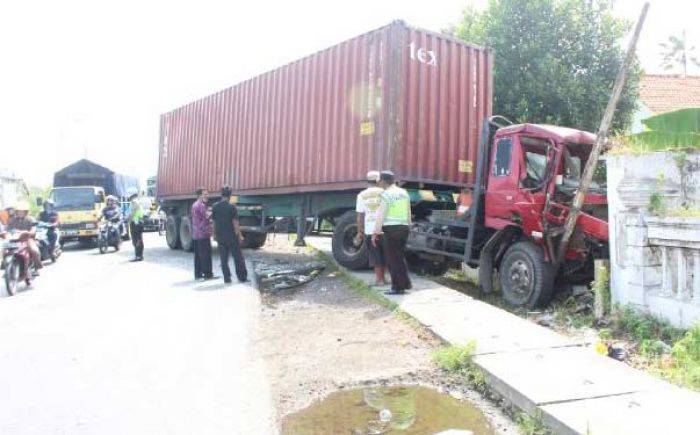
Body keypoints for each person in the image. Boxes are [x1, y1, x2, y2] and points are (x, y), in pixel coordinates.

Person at [372, 171, 412, 295]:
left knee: (392, 259)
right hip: (404, 228)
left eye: (379, 181)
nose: (379, 183)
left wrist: (375, 232)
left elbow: (381, 215)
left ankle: (397, 287)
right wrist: (409, 225)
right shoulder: (404, 193)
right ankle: (405, 283)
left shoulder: (386, 195)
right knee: (399, 257)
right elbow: (408, 211)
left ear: (383, 181)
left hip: (391, 229)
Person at [355, 170, 387, 286]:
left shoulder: (362, 195)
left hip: (370, 229)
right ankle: (383, 278)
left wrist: (360, 232)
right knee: (385, 254)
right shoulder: (386, 193)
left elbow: (360, 216)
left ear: (367, 181)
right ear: (379, 181)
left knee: (375, 255)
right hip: (385, 228)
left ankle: (379, 280)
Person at [212, 186, 248, 284]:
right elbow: (235, 223)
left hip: (220, 236)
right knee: (238, 257)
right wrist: (239, 236)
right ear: (230, 195)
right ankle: (242, 277)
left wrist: (214, 234)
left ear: (221, 194)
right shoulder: (232, 207)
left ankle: (227, 278)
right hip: (231, 236)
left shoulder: (215, 206)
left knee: (223, 258)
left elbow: (214, 222)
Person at [7, 201, 42, 276]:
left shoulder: (30, 219)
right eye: (19, 211)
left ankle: (37, 268)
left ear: (26, 212)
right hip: (14, 240)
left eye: (22, 211)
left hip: (27, 239)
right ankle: (8, 268)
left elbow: (33, 229)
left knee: (34, 250)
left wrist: (29, 232)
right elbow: (7, 229)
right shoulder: (12, 220)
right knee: (4, 250)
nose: (20, 213)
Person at [191, 187, 215, 280]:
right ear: (200, 195)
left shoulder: (194, 204)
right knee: (206, 255)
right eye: (205, 194)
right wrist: (212, 212)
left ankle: (198, 274)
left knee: (198, 256)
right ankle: (208, 274)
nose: (207, 196)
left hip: (196, 234)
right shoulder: (201, 205)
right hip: (203, 234)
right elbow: (206, 218)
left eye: (207, 194)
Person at [128, 192, 144, 261]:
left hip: (135, 223)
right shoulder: (139, 202)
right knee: (139, 239)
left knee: (135, 240)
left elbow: (132, 213)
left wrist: (129, 220)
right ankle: (140, 256)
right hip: (139, 222)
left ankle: (137, 256)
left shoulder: (134, 202)